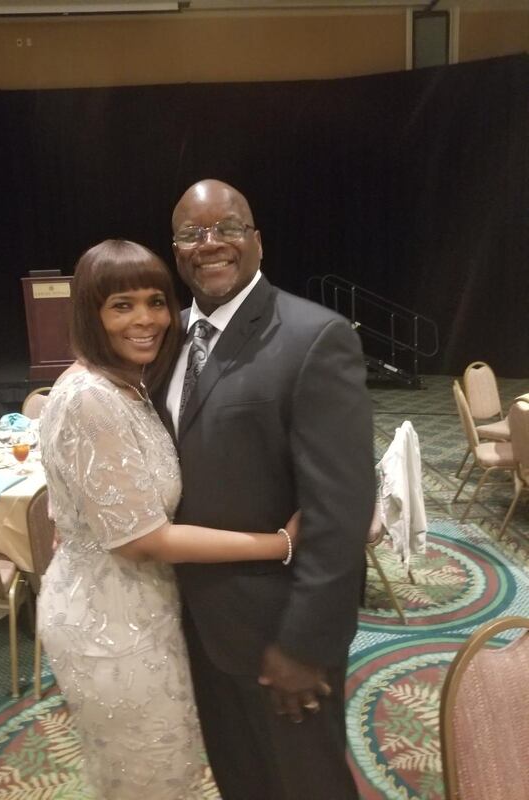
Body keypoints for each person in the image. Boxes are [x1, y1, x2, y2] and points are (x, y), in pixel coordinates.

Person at [37, 239, 299, 800]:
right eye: (122, 305)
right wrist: (277, 543)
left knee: (158, 769)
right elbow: (143, 539)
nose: (147, 319)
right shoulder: (92, 398)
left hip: (139, 610)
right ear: (91, 313)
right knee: (148, 779)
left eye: (156, 301)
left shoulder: (127, 384)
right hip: (112, 628)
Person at [156, 179, 375, 800]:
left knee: (309, 785)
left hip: (281, 635)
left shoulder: (313, 337)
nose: (210, 244)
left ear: (257, 242)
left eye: (227, 227)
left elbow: (339, 510)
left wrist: (305, 644)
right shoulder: (164, 342)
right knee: (241, 779)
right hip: (197, 625)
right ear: (176, 251)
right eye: (192, 234)